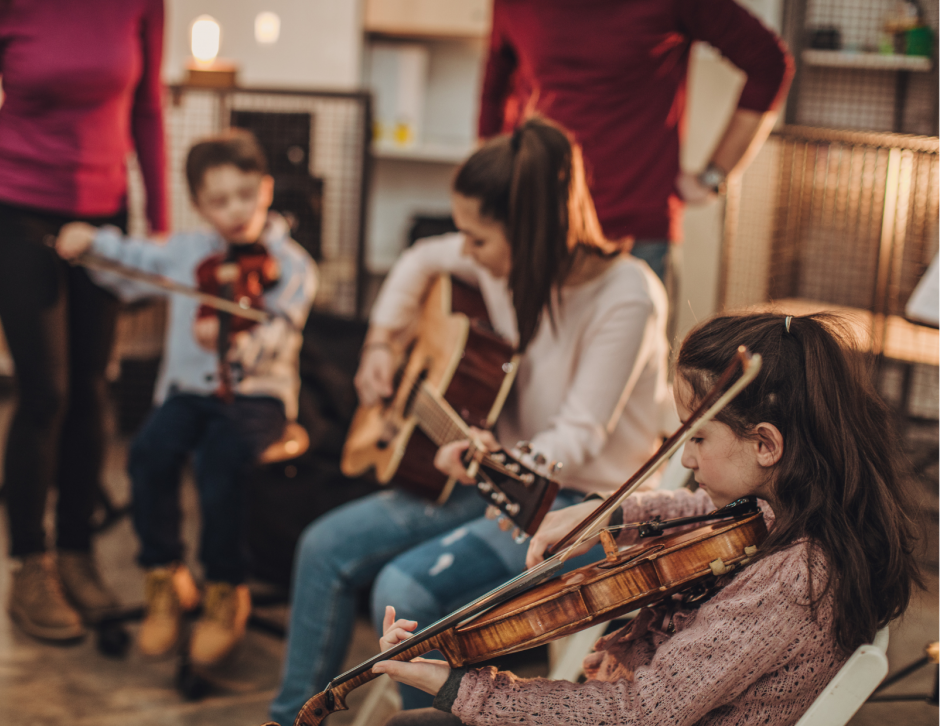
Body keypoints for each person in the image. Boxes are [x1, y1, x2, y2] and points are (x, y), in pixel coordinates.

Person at [269, 116, 671, 723]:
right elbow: (420, 258)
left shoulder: (628, 294)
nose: (468, 252)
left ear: (532, 233)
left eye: (479, 239)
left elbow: (580, 435)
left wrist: (500, 459)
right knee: (322, 546)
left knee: (405, 592)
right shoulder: (506, 267)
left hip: (585, 508)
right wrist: (380, 346)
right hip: (497, 482)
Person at [374, 311, 924, 726]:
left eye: (699, 437)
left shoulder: (793, 582)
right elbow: (702, 515)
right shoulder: (793, 515)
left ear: (765, 445)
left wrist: (463, 690)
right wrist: (608, 512)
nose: (684, 459)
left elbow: (638, 712)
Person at [54, 130, 317, 665]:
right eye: (218, 202)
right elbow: (133, 262)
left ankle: (225, 586)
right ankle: (166, 573)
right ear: (198, 205)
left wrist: (241, 343)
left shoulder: (290, 264)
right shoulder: (189, 252)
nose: (235, 211)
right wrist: (91, 243)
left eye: (245, 195)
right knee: (149, 452)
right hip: (188, 390)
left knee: (221, 460)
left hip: (256, 396)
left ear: (266, 188)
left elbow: (283, 330)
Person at [0, 0, 168, 640]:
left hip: (104, 217)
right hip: (13, 212)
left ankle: (77, 554)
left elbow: (148, 110)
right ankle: (28, 566)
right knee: (46, 392)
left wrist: (158, 226)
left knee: (93, 388)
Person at [478, 0, 794, 290]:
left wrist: (713, 175)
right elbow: (494, 91)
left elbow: (768, 63)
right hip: (535, 223)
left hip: (635, 236)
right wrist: (493, 190)